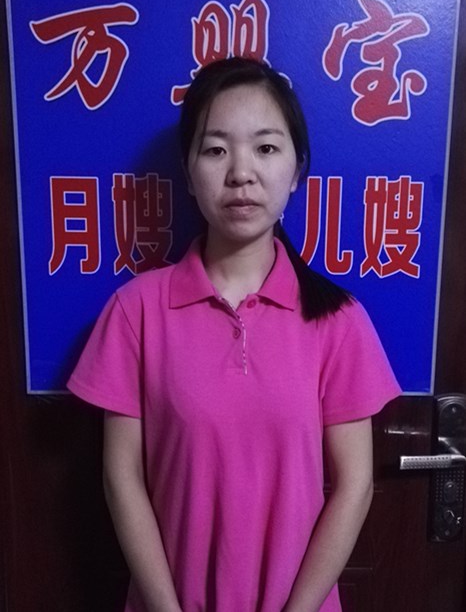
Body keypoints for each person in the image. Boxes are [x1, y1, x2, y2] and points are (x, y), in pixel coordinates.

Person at [68, 57, 401, 612]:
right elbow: (120, 478)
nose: (241, 173)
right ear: (188, 172)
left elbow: (354, 485)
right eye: (216, 149)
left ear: (297, 170)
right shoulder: (136, 311)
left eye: (266, 148)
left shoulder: (338, 320)